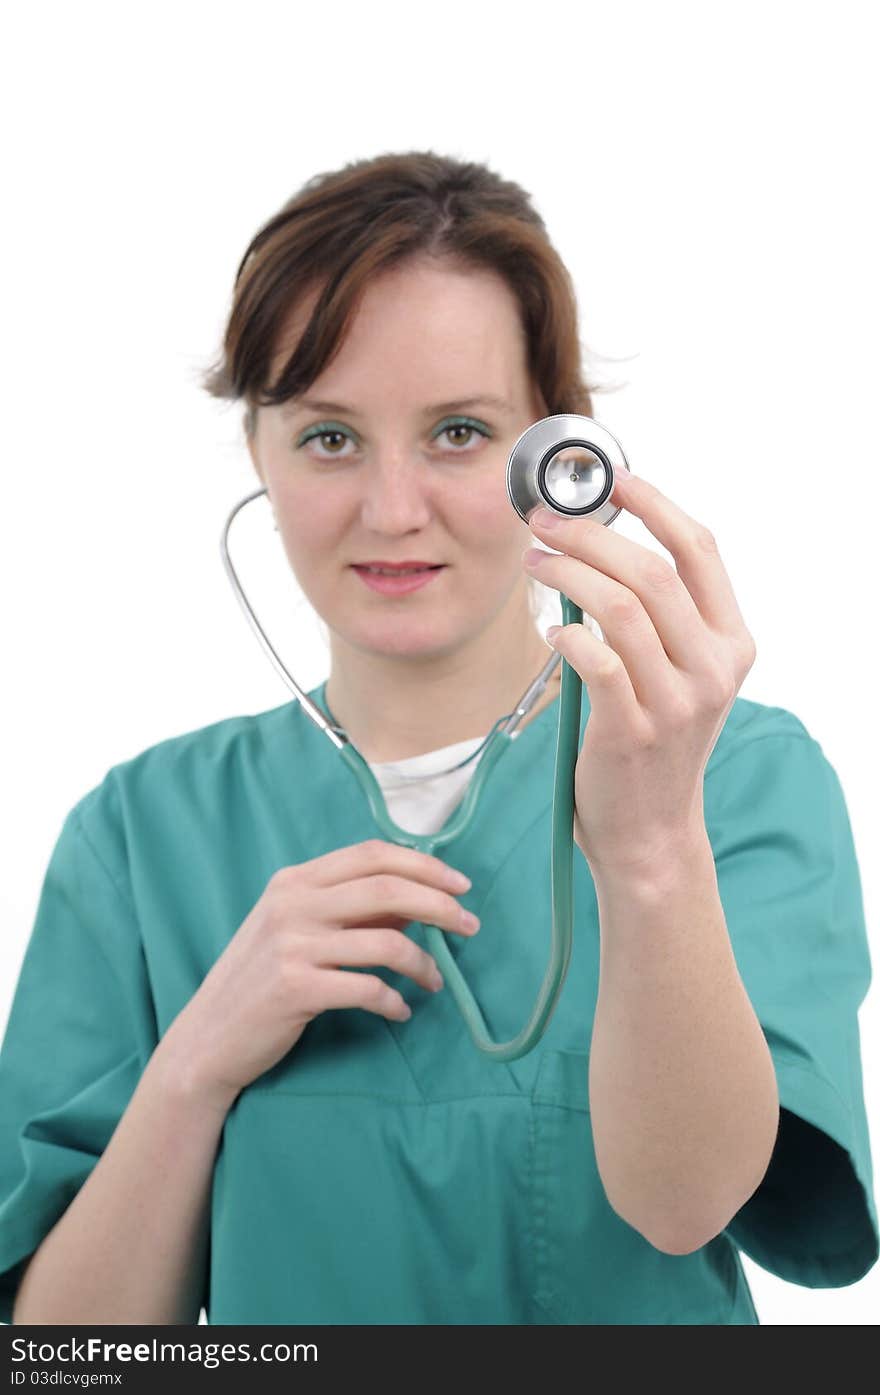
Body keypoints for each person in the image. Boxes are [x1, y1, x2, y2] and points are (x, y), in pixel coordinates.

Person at [1, 150, 877, 1327]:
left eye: (458, 431)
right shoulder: (139, 831)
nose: (392, 508)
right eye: (327, 438)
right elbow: (68, 1357)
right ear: (257, 450)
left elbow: (682, 1207)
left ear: (562, 459)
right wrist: (198, 1061)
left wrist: (652, 847)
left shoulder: (732, 772)